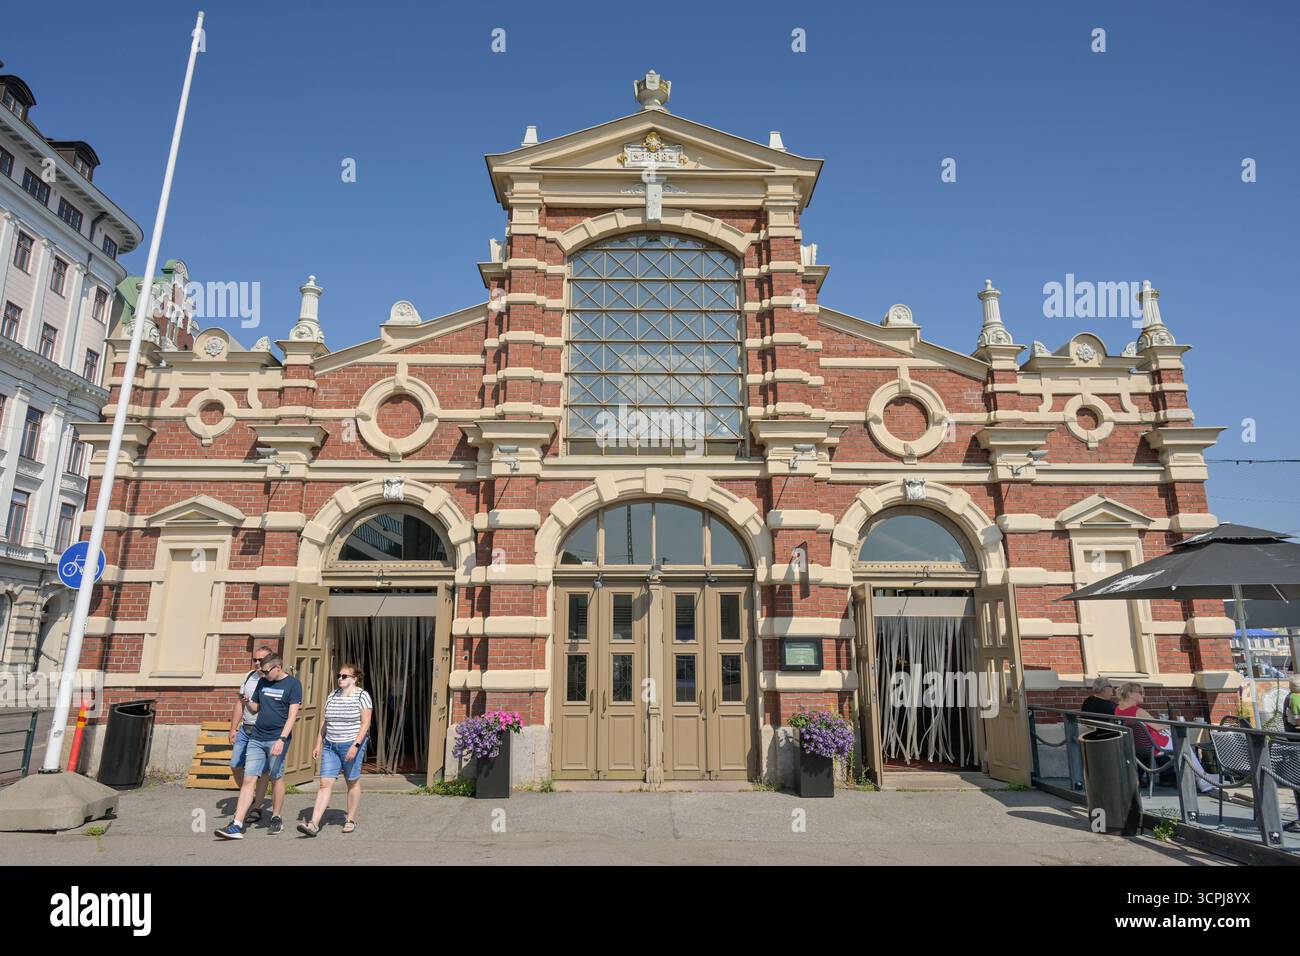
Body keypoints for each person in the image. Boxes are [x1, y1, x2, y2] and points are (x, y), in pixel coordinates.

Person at [215, 655, 302, 839]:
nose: (263, 674)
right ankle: (237, 823)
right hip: (257, 737)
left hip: (277, 738)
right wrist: (247, 702)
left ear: (278, 667)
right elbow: (256, 708)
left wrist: (281, 739)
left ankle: (276, 816)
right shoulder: (262, 682)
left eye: (266, 670)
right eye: (262, 671)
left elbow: (292, 716)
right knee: (248, 779)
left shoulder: (293, 685)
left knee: (276, 777)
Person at [298, 663, 373, 837]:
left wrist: (355, 746)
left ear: (354, 679)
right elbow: (325, 722)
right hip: (331, 745)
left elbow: (365, 723)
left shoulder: (362, 696)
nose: (340, 678)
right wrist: (318, 743)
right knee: (325, 783)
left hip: (351, 744)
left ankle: (350, 819)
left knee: (351, 781)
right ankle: (313, 823)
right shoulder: (332, 695)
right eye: (339, 675)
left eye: (344, 676)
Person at [1114, 682, 1218, 793]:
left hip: (1137, 747)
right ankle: (1202, 781)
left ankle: (1199, 778)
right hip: (1154, 745)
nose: (1143, 695)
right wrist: (1172, 723)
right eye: (1140, 692)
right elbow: (1158, 727)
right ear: (1130, 694)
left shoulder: (1118, 710)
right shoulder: (1138, 711)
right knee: (1185, 746)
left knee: (1181, 747)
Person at [228, 646, 273, 823]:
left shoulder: (272, 680)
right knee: (235, 765)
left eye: (260, 660)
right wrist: (233, 728)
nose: (256, 663)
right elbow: (240, 704)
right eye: (254, 659)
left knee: (261, 772)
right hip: (245, 729)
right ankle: (250, 796)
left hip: (262, 731)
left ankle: (256, 807)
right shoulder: (248, 677)